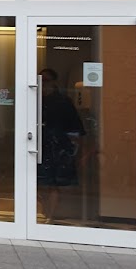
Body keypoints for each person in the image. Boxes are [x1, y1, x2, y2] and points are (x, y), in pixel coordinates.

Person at [37, 68, 86, 223]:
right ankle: (43, 212)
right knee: (38, 181)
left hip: (57, 147)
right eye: (40, 80)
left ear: (53, 82)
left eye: (46, 81)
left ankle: (50, 215)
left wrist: (75, 149)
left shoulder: (63, 102)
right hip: (38, 145)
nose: (43, 84)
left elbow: (75, 128)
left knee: (53, 183)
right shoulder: (34, 99)